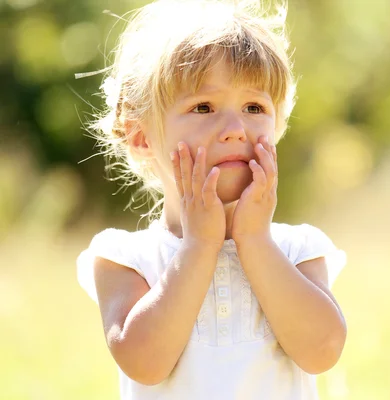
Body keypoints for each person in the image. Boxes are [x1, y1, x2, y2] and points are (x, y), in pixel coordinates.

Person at [76, 0, 347, 399]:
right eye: (203, 107)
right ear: (141, 136)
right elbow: (144, 363)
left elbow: (323, 350)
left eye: (254, 107)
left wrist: (254, 240)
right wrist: (199, 245)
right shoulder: (125, 259)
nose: (236, 129)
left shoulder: (298, 250)